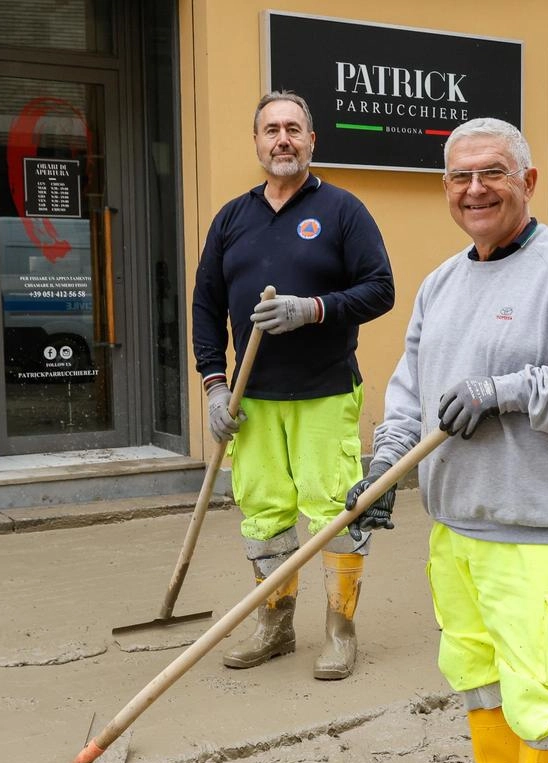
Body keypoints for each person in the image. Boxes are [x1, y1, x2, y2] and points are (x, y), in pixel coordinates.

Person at [346, 117, 548, 762]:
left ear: (528, 181)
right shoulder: (441, 284)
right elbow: (410, 392)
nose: (475, 189)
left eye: (492, 173)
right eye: (460, 176)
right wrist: (387, 465)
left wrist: (506, 391)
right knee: (479, 684)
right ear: (445, 187)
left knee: (546, 704)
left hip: (533, 531)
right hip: (454, 530)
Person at [191, 91, 394, 681]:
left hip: (324, 392)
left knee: (334, 511)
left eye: (293, 129)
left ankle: (339, 629)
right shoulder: (231, 217)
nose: (282, 139)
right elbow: (205, 307)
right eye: (270, 130)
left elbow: (381, 288)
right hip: (251, 400)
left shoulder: (343, 210)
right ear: (256, 142)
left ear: (311, 141)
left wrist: (315, 309)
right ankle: (275, 626)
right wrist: (213, 386)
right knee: (262, 513)